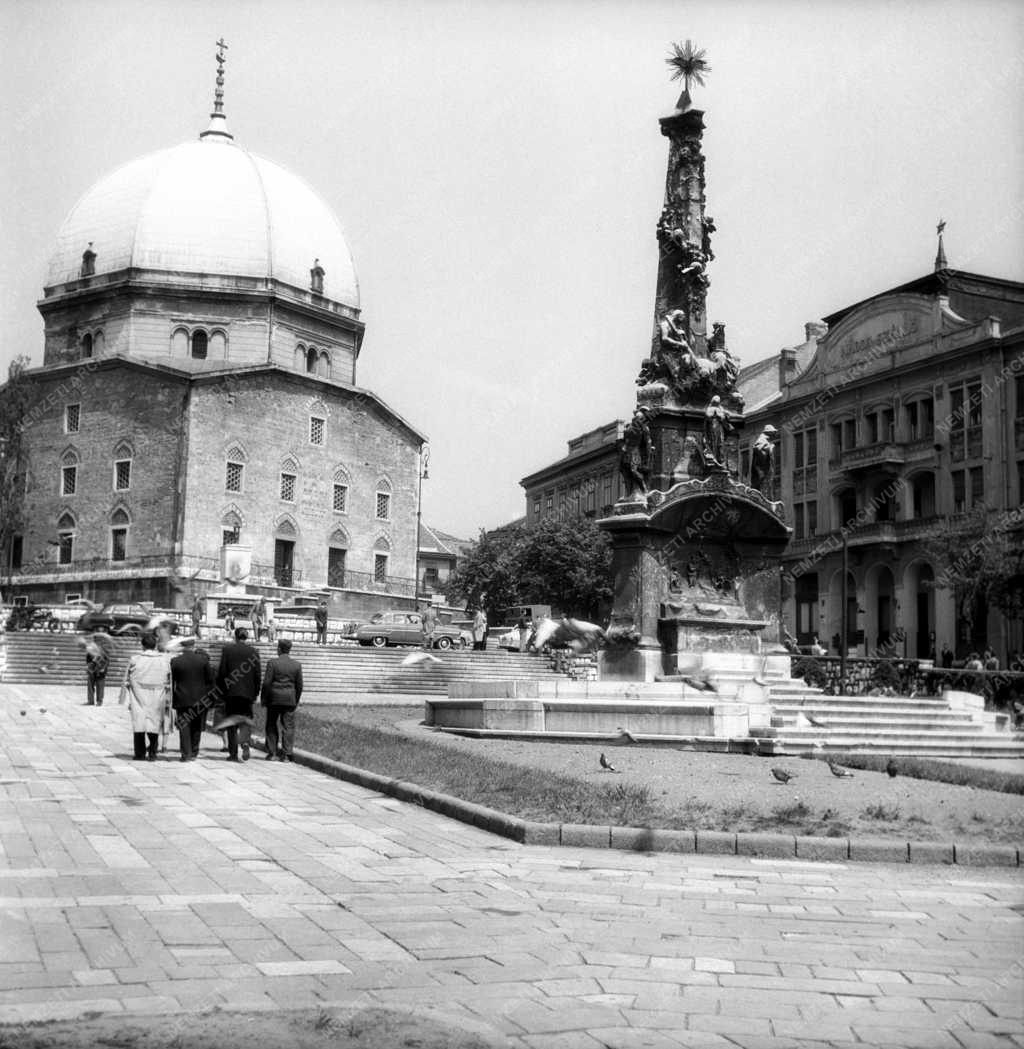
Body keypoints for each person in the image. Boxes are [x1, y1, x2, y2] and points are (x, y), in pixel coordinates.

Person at [119, 632, 171, 762]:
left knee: (139, 724)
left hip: (139, 696)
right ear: (154, 645)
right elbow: (168, 677)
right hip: (157, 695)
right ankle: (153, 752)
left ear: (142, 645)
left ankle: (140, 753)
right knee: (154, 723)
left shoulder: (135, 659)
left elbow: (127, 678)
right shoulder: (164, 660)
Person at [216, 627, 261, 762]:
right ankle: (245, 743)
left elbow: (222, 672)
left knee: (231, 723)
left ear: (235, 636)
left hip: (231, 692)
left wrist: (221, 691)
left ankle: (233, 753)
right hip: (247, 693)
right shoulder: (254, 652)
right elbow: (257, 675)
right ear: (246, 637)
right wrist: (255, 693)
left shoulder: (227, 650)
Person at [170, 636, 214, 762]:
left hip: (182, 697)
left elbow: (172, 680)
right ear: (193, 646)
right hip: (200, 698)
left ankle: (186, 754)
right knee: (196, 726)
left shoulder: (176, 661)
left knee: (184, 726)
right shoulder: (202, 661)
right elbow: (209, 680)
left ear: (183, 647)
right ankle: (194, 751)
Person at [261, 638, 303, 762]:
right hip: (290, 699)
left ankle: (272, 752)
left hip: (274, 699)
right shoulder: (296, 665)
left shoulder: (272, 663)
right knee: (288, 726)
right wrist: (296, 699)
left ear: (279, 649)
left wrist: (264, 698)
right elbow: (299, 685)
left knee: (271, 725)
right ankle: (286, 754)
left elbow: (267, 683)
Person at [85, 636, 109, 706]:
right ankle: (90, 701)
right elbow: (88, 659)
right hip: (92, 670)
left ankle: (99, 701)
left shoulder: (104, 650)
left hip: (101, 670)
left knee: (100, 686)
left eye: (98, 640)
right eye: (95, 640)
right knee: (90, 685)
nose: (96, 642)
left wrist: (104, 668)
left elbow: (107, 661)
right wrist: (88, 667)